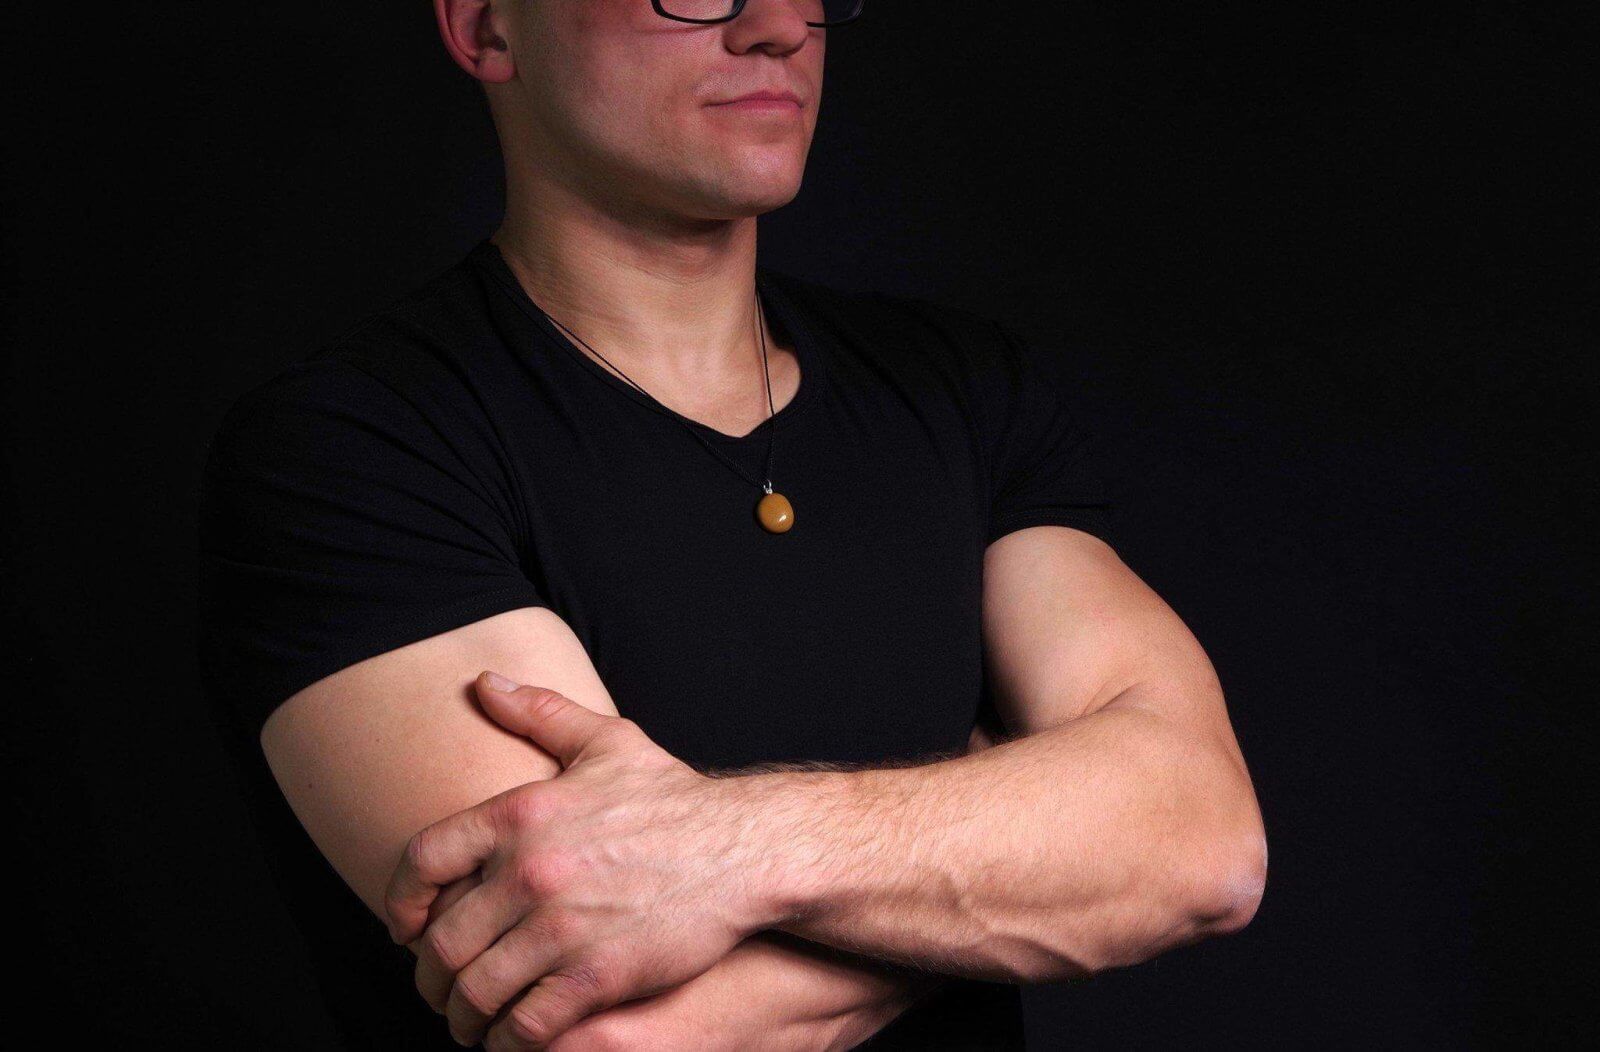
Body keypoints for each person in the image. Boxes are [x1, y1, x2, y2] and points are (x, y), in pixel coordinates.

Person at [197, 1, 1267, 1047]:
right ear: (484, 25)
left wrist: (721, 847)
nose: (780, 25)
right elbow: (626, 1033)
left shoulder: (963, 388)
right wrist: (1016, 844)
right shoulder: (353, 446)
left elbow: (1202, 838)